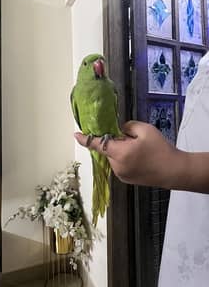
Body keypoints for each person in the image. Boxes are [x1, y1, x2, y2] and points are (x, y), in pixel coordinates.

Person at [74, 51, 209, 286]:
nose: (97, 65)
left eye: (101, 62)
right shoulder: (75, 93)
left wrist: (175, 166)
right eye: (90, 63)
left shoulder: (111, 88)